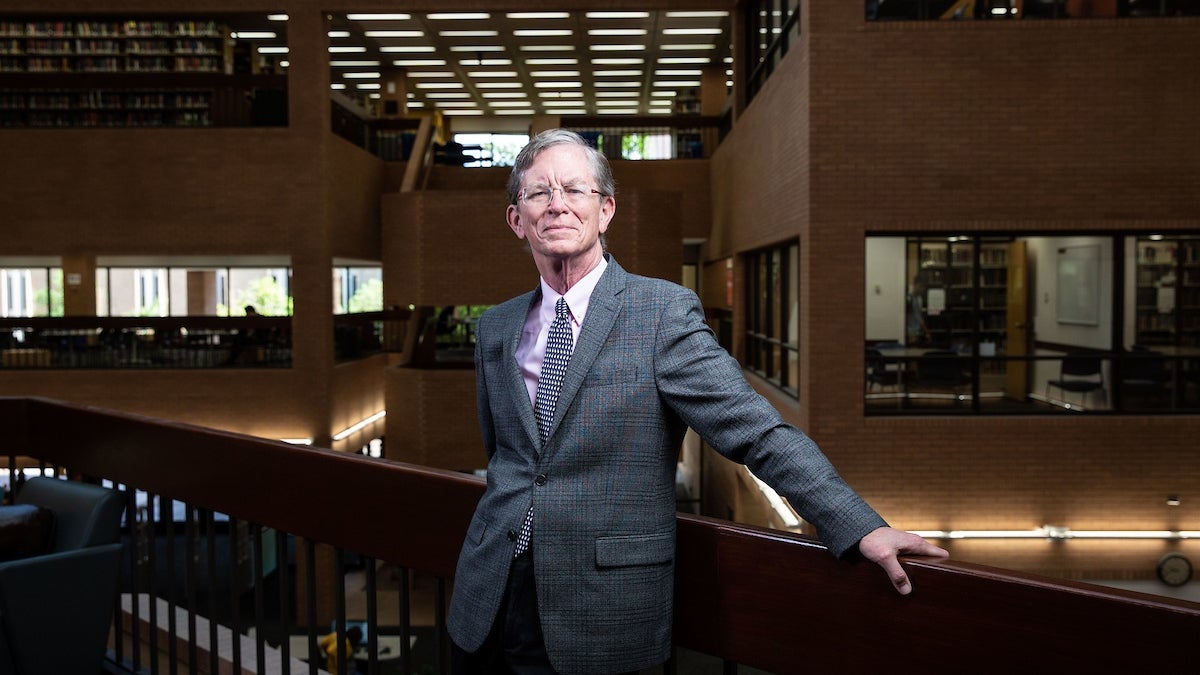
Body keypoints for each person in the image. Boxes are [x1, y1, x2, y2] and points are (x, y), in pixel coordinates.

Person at [447, 129, 948, 674]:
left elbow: (755, 430)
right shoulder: (495, 327)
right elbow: (509, 456)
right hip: (488, 589)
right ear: (516, 219)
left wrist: (858, 525)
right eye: (538, 193)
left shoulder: (661, 313)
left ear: (606, 210)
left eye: (575, 189)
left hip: (600, 606)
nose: (557, 203)